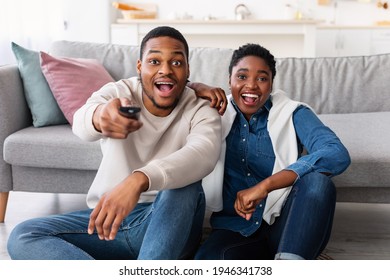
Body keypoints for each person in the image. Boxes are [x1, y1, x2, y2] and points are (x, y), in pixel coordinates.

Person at [7, 26, 222, 260]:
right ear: (140, 67)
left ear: (188, 69)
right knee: (24, 235)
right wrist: (100, 117)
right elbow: (82, 120)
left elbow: (203, 152)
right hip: (111, 223)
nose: (165, 70)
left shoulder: (201, 107)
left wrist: (139, 180)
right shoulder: (119, 93)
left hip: (170, 224)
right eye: (154, 61)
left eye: (177, 63)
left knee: (185, 186)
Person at [192, 43, 351, 260]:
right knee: (205, 263)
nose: (251, 86)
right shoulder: (213, 112)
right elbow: (164, 89)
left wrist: (265, 186)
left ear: (271, 84)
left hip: (289, 225)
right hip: (234, 230)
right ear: (229, 81)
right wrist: (196, 85)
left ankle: (292, 256)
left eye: (262, 78)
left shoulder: (293, 113)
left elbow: (336, 153)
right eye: (242, 77)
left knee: (318, 182)